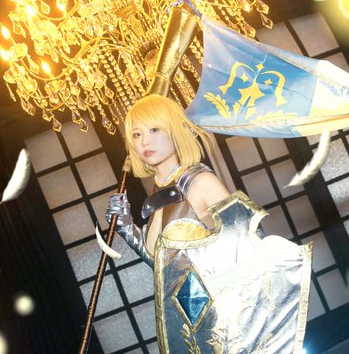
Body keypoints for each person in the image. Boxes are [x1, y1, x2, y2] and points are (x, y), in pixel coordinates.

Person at [106, 95, 312, 353]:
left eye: (154, 129)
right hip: (191, 321)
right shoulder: (158, 199)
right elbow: (166, 269)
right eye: (136, 134)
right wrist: (128, 229)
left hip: (228, 327)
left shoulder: (200, 183)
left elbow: (251, 244)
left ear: (174, 130)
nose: (144, 141)